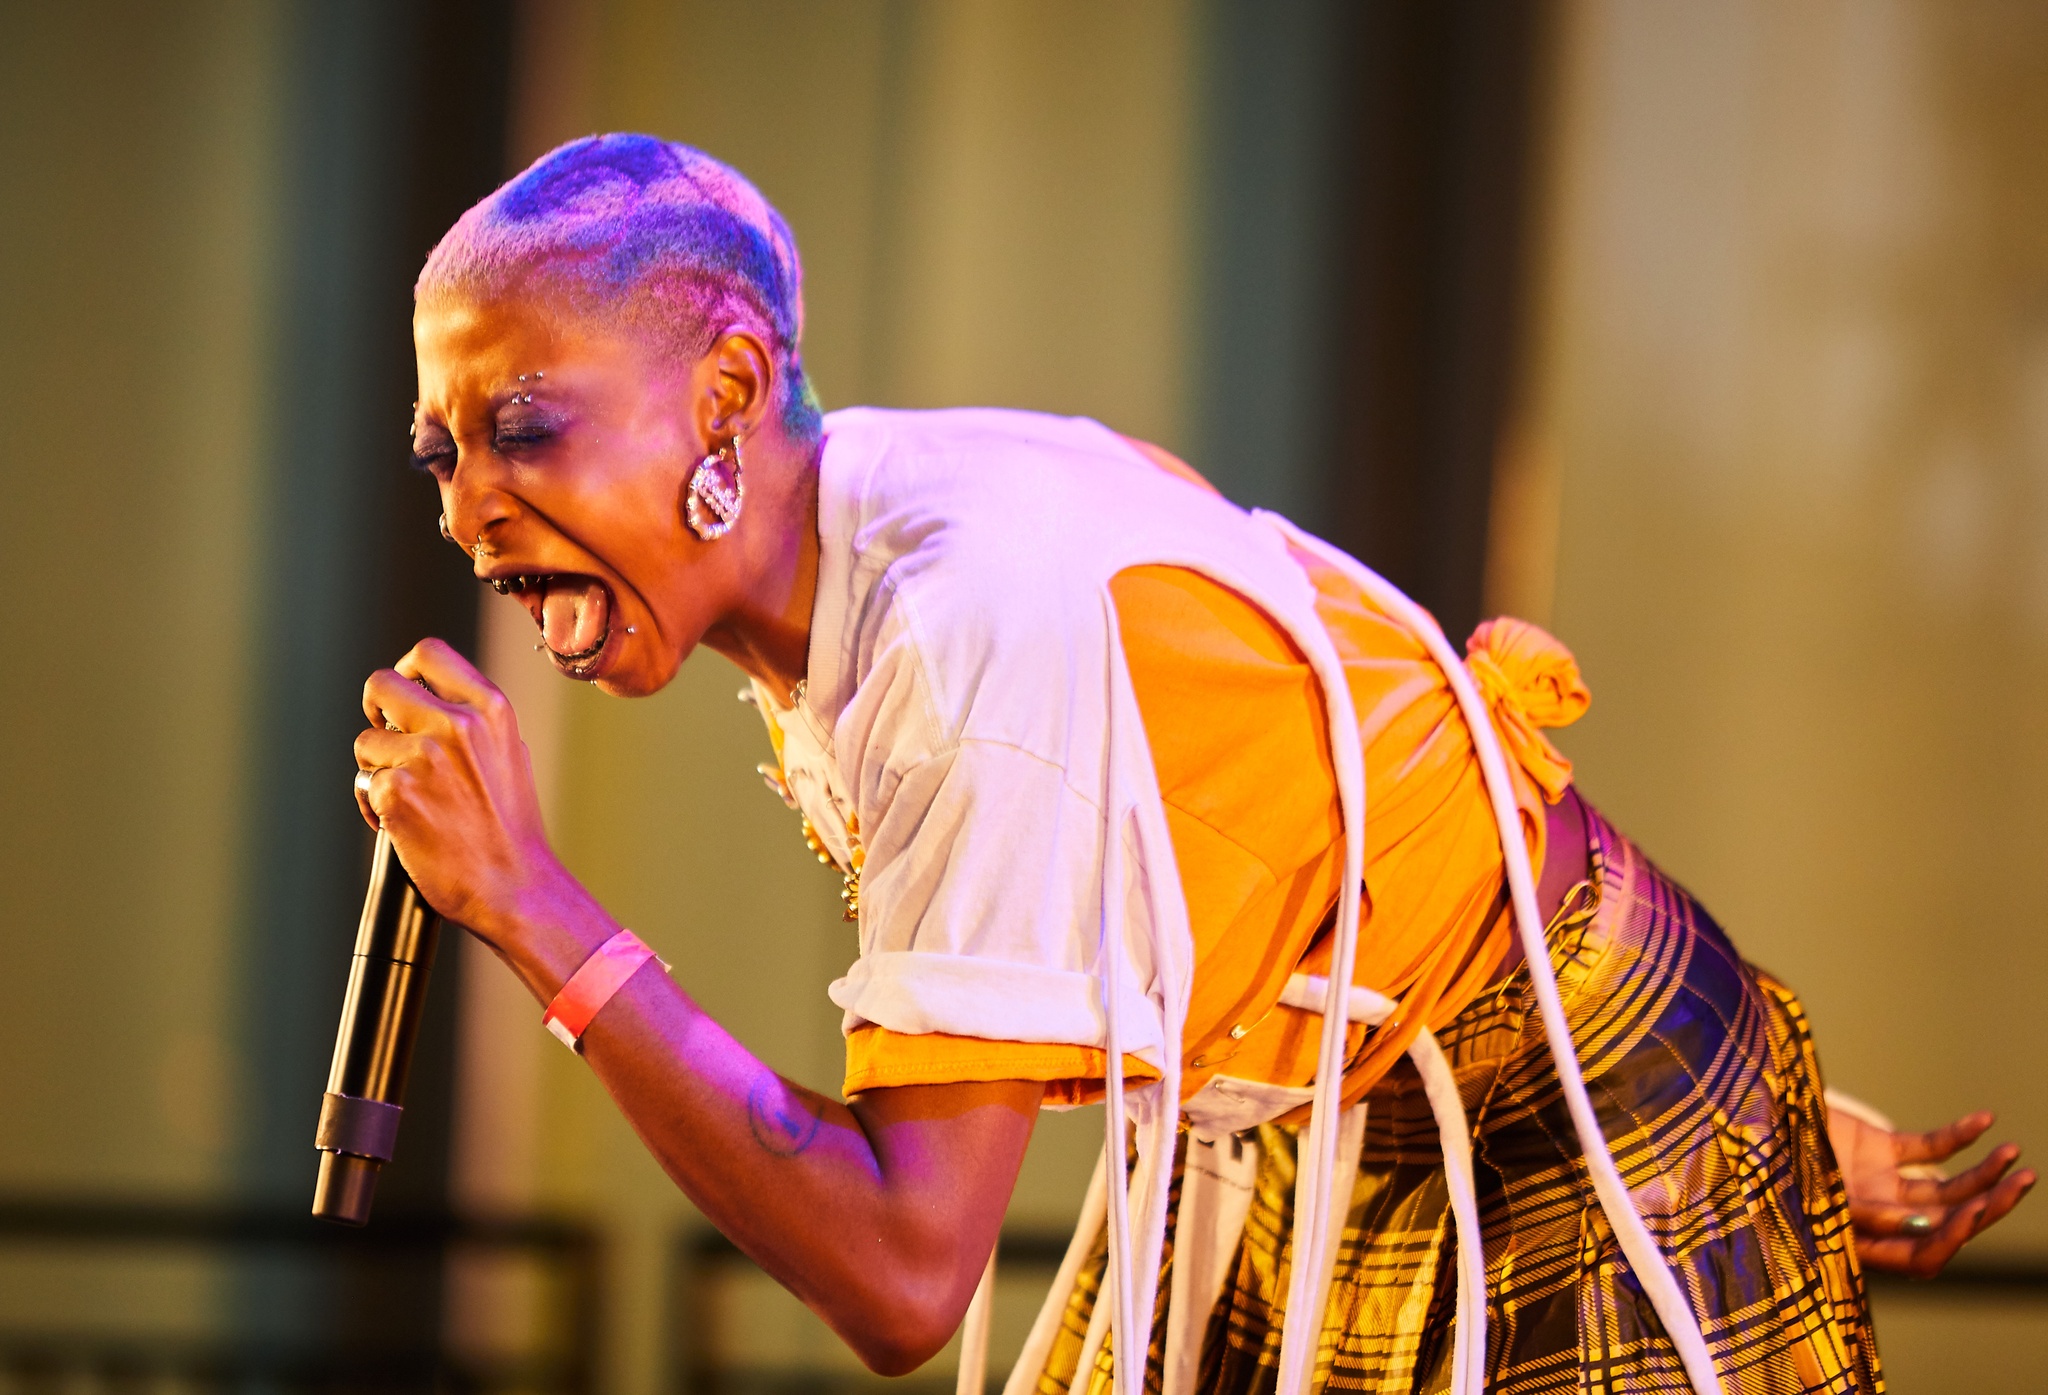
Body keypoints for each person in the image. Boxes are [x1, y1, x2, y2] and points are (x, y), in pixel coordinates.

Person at [357, 134, 2030, 1394]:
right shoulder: (871, 535)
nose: (464, 507)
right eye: (442, 451)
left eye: (523, 426)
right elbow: (1355, 764)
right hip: (1327, 1126)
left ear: (727, 388)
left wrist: (536, 911)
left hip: (1539, 1142)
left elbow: (900, 1277)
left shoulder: (968, 618)